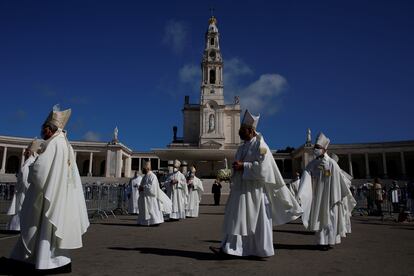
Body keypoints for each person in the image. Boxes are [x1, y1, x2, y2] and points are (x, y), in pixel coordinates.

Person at [210, 110, 302, 258]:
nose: (240, 133)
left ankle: (258, 250)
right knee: (235, 217)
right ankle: (230, 248)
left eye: (242, 131)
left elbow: (263, 168)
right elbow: (239, 165)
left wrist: (244, 166)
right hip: (241, 189)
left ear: (251, 131)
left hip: (255, 191)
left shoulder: (260, 145)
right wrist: (232, 172)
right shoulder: (242, 147)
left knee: (256, 221)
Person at [10, 106, 89, 273]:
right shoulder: (66, 144)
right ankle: (58, 261)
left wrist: (31, 168)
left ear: (50, 128)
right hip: (60, 194)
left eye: (43, 128)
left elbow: (40, 170)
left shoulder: (53, 143)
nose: (42, 131)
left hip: (48, 195)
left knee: (44, 227)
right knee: (53, 229)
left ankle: (45, 262)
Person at [297, 132, 355, 251]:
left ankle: (330, 241)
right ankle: (321, 241)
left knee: (330, 219)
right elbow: (306, 174)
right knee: (320, 218)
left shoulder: (332, 163)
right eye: (315, 147)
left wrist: (336, 195)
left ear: (324, 149)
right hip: (318, 195)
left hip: (330, 196)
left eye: (318, 148)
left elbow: (339, 181)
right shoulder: (313, 163)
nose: (315, 149)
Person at [6, 139, 43, 231]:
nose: (24, 152)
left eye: (26, 150)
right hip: (22, 190)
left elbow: (25, 179)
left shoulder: (30, 163)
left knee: (21, 209)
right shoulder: (30, 161)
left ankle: (17, 228)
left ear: (29, 152)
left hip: (24, 191)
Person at [137, 161, 171, 226]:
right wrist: (140, 188)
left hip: (151, 197)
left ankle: (155, 222)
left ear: (147, 168)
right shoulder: (144, 176)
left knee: (152, 210)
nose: (142, 170)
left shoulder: (152, 176)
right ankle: (146, 222)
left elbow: (152, 187)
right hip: (145, 196)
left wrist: (143, 188)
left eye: (143, 168)